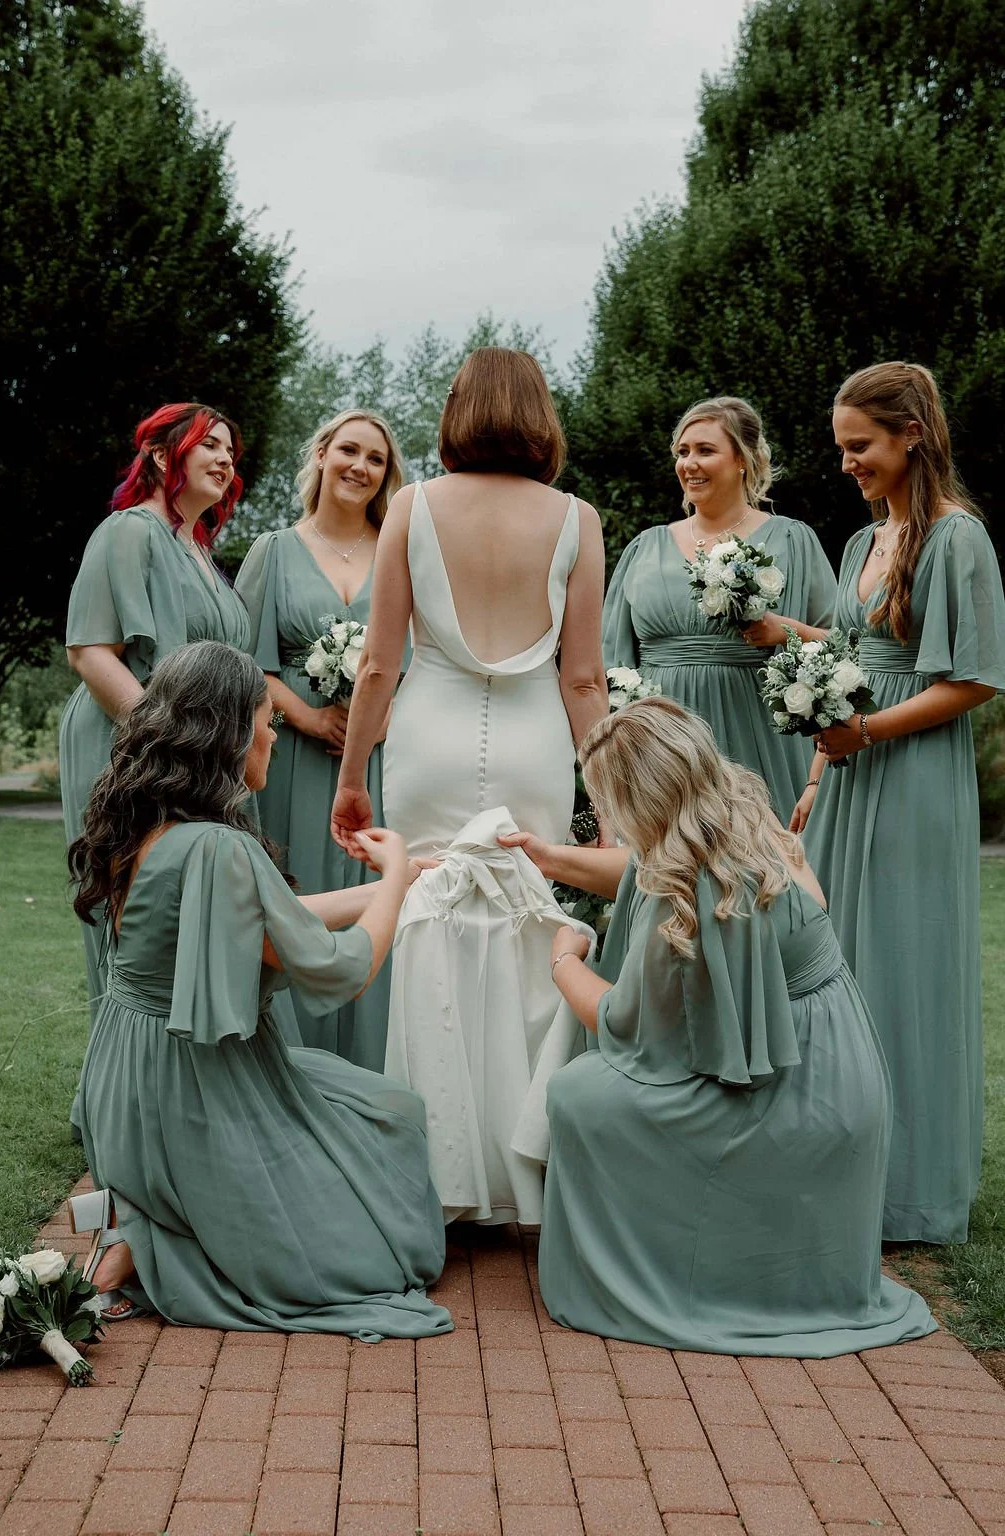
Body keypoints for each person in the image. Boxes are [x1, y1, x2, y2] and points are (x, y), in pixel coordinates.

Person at [67, 640, 452, 1339]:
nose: (274, 732)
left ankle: (147, 1224)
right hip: (190, 1092)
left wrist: (393, 884)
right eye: (265, 717)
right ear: (229, 732)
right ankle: (155, 1240)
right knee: (375, 1241)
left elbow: (271, 923)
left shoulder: (158, 826)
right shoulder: (218, 846)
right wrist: (394, 875)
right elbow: (341, 969)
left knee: (378, 1103)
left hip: (127, 1085)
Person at [536, 697, 935, 1355]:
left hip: (787, 1086)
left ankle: (667, 1279)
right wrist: (548, 859)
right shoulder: (742, 815)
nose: (603, 813)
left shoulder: (684, 888)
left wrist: (562, 958)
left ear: (639, 802)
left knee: (580, 1096)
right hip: (840, 1061)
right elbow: (645, 873)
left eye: (606, 799)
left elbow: (620, 1024)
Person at [331, 347, 609, 1224]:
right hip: (532, 740)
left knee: (427, 930)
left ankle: (439, 1179)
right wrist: (603, 798)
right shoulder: (576, 519)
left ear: (460, 410)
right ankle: (522, 1179)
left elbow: (377, 664)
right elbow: (585, 680)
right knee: (530, 934)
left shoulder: (413, 506)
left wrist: (351, 777)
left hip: (429, 735)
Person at [795, 362, 1005, 1245]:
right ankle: (840, 1169)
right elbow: (846, 663)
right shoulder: (859, 544)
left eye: (861, 446)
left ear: (911, 433)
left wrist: (869, 734)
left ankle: (908, 1193)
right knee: (841, 962)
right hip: (847, 774)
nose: (848, 463)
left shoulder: (957, 540)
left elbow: (976, 679)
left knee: (904, 964)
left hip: (913, 777)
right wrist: (815, 770)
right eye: (842, 448)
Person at [60, 403, 252, 1018]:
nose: (225, 459)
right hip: (127, 746)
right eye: (210, 446)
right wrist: (171, 745)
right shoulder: (128, 531)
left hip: (192, 759)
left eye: (231, 451)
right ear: (166, 456)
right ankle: (123, 1084)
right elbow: (91, 652)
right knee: (134, 918)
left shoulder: (197, 549)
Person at [236, 410, 406, 1068]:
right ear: (323, 455)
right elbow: (244, 659)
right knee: (297, 900)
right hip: (289, 758)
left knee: (369, 898)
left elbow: (414, 655)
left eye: (376, 460)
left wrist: (380, 716)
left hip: (374, 764)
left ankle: (364, 1071)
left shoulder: (397, 549)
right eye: (349, 451)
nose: (360, 467)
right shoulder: (274, 551)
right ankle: (286, 1068)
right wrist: (305, 718)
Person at [602, 397, 837, 823]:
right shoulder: (644, 548)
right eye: (683, 452)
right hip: (663, 746)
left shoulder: (794, 542)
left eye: (705, 450)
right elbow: (613, 659)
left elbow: (840, 651)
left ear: (743, 460)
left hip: (760, 732)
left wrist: (784, 631)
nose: (689, 463)